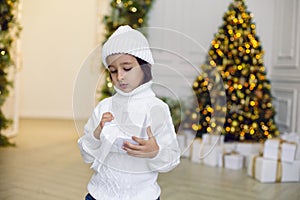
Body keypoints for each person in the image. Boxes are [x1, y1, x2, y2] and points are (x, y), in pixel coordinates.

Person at [78, 25, 181, 200]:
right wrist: (96, 134)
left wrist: (155, 151)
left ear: (144, 66)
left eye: (126, 68)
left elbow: (172, 158)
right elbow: (86, 155)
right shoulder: (104, 107)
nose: (120, 76)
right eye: (113, 71)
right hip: (99, 195)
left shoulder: (156, 109)